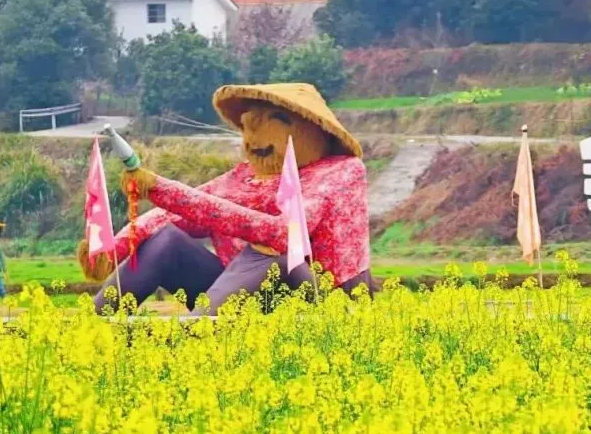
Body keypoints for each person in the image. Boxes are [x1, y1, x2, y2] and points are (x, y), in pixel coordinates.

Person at [78, 83, 373, 315]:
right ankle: (91, 327)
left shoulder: (341, 171)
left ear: (313, 130)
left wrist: (162, 188)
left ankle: (189, 337)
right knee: (167, 240)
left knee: (271, 251)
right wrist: (115, 246)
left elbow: (286, 233)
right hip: (242, 299)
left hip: (319, 300)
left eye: (276, 121)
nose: (254, 138)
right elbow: (178, 213)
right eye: (249, 126)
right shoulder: (243, 177)